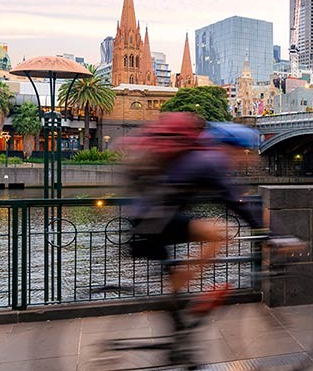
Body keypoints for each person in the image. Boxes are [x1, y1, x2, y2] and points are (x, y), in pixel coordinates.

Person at [124, 112, 300, 294]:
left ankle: (178, 296)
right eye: (246, 151)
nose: (248, 158)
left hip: (148, 217)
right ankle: (181, 282)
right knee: (221, 233)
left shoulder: (200, 158)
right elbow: (239, 204)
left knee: (210, 235)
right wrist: (275, 236)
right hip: (154, 222)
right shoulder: (211, 162)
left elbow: (235, 199)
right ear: (233, 148)